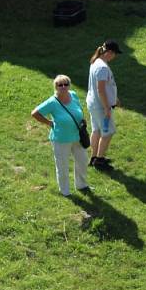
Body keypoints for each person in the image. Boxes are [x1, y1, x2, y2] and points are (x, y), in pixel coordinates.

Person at [30, 75, 90, 196]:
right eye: (60, 85)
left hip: (78, 136)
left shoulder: (73, 95)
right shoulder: (52, 102)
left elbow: (78, 107)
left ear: (69, 85)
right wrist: (49, 123)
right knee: (62, 166)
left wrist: (82, 119)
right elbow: (35, 113)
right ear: (55, 87)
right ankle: (65, 191)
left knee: (82, 161)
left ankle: (81, 185)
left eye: (65, 84)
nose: (63, 87)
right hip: (61, 139)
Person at [87, 40, 121, 170]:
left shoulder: (95, 62)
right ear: (109, 52)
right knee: (107, 133)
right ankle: (99, 161)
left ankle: (94, 157)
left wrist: (114, 98)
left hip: (93, 103)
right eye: (115, 54)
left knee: (96, 130)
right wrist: (107, 107)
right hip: (101, 106)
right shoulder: (102, 68)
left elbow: (105, 87)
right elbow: (100, 89)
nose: (115, 57)